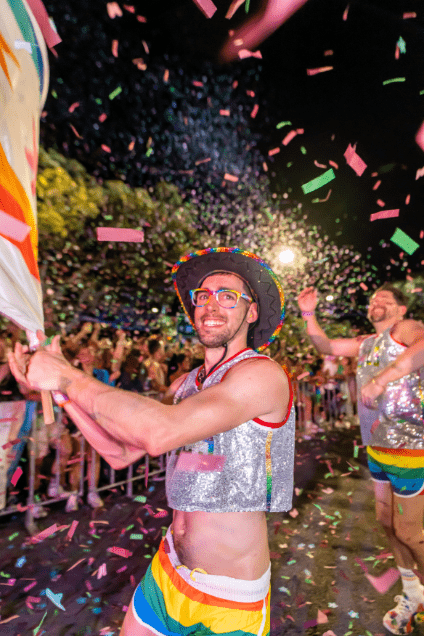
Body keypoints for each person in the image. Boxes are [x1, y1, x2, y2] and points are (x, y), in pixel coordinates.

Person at [9, 247, 295, 636]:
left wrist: (68, 377)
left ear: (253, 312)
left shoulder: (263, 376)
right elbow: (121, 451)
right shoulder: (185, 383)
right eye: (203, 296)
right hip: (168, 571)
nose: (212, 305)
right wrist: (61, 394)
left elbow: (160, 433)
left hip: (230, 598)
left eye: (228, 295)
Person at [297, 282, 424, 635]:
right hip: (376, 449)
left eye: (385, 299)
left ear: (401, 309)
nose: (376, 302)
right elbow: (323, 345)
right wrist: (308, 312)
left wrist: (382, 380)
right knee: (387, 524)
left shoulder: (407, 330)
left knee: (410, 533)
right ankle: (413, 594)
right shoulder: (366, 343)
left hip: (412, 447)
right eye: (372, 299)